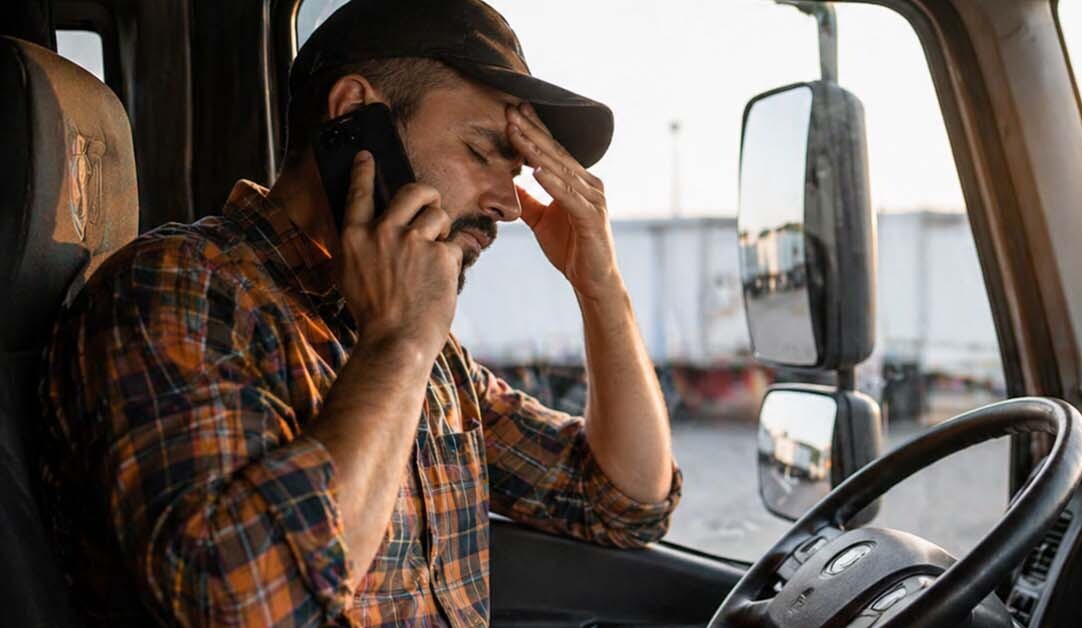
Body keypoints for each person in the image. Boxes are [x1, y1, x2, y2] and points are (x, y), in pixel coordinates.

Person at [37, 0, 681, 624]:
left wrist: (600, 287)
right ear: (354, 118)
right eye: (484, 152)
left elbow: (622, 501)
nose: (509, 205)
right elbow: (248, 605)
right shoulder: (179, 291)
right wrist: (398, 344)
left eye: (516, 174)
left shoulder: (418, 343)